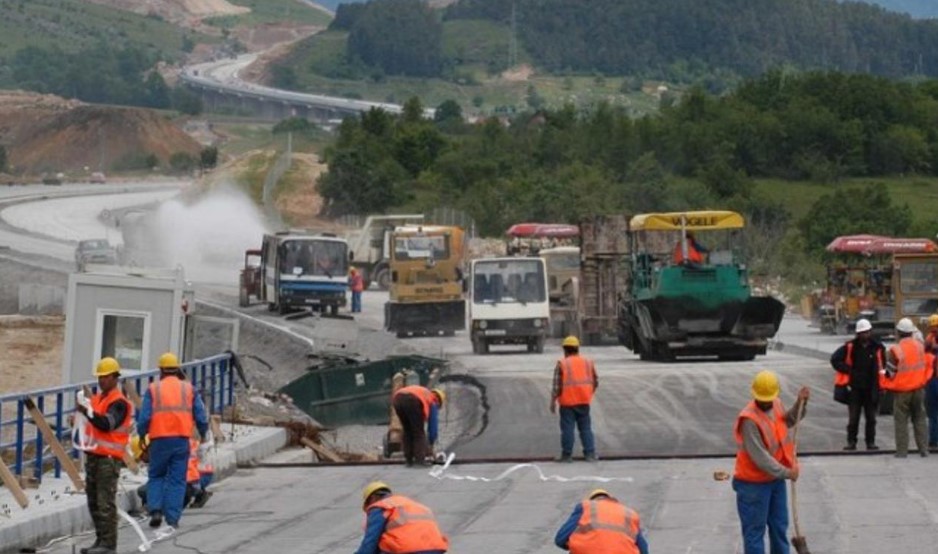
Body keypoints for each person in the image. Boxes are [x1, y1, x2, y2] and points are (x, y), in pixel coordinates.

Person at [733, 370, 809, 554]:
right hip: (753, 484)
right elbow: (761, 459)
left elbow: (788, 420)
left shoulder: (776, 404)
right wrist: (787, 472)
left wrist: (801, 403)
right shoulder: (749, 420)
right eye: (762, 399)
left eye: (768, 398)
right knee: (755, 533)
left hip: (774, 481)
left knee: (779, 527)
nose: (766, 402)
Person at [137, 352, 209, 537]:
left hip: (159, 439)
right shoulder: (188, 389)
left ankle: (155, 511)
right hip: (181, 440)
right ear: (178, 369)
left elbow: (144, 417)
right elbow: (201, 415)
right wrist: (203, 432)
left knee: (156, 476)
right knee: (177, 480)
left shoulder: (153, 389)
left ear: (160, 370)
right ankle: (173, 519)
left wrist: (142, 433)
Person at [77, 357, 133, 554]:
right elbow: (93, 423)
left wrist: (88, 413)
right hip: (94, 456)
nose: (101, 381)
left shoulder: (119, 403)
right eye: (99, 377)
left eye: (105, 377)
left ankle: (108, 544)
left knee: (104, 502)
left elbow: (107, 424)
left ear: (114, 378)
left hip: (108, 459)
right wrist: (82, 415)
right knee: (93, 501)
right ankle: (101, 540)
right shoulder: (98, 399)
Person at [829, 318, 885, 450]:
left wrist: (882, 386)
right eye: (862, 332)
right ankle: (851, 442)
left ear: (870, 332)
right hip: (854, 389)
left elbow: (882, 368)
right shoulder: (850, 347)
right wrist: (848, 370)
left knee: (871, 418)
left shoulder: (878, 348)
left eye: (867, 332)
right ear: (858, 334)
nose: (865, 335)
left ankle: (870, 442)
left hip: (871, 389)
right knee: (853, 418)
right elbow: (835, 359)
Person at [355, 481, 448, 554]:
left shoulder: (381, 506)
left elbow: (370, 541)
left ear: (372, 498)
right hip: (436, 548)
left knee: (379, 545)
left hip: (407, 550)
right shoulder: (414, 505)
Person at [884, 318, 932, 458]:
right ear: (911, 332)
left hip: (902, 391)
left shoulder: (896, 350)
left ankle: (902, 452)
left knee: (901, 421)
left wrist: (881, 374)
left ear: (898, 332)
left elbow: (890, 373)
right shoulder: (920, 347)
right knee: (920, 419)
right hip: (919, 389)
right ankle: (924, 450)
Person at [554, 489, 649, 554]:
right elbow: (643, 550)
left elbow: (560, 539)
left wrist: (573, 547)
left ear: (592, 500)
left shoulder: (586, 507)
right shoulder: (630, 514)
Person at [550, 336, 598, 463]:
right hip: (584, 402)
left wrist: (552, 401)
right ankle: (590, 454)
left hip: (567, 404)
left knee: (567, 429)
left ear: (565, 350)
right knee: (586, 428)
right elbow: (595, 381)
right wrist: (587, 393)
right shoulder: (588, 363)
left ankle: (567, 455)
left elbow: (556, 386)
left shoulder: (562, 364)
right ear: (577, 349)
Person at [391, 385, 445, 467]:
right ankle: (419, 461)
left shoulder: (424, 394)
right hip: (412, 400)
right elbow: (432, 426)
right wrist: (431, 442)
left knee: (407, 431)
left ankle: (409, 460)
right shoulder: (433, 400)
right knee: (418, 433)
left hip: (397, 399)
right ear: (439, 400)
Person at [924, 314, 938, 450]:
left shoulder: (929, 341)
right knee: (933, 413)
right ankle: (934, 440)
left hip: (933, 380)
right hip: (932, 380)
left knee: (933, 413)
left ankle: (934, 441)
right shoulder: (929, 341)